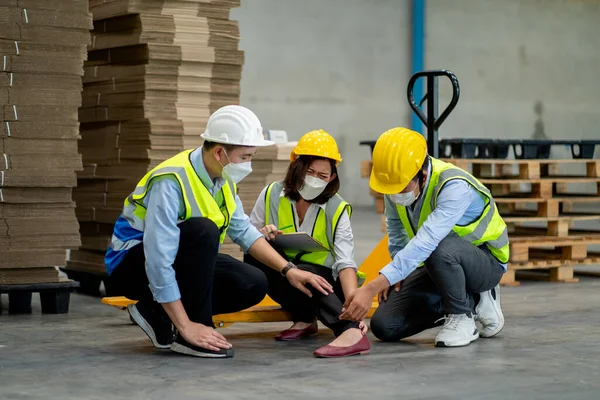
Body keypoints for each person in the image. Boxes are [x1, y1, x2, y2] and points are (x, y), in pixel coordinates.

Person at [105, 106, 334, 359]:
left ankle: (156, 310)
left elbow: (243, 231)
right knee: (203, 230)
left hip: (178, 261)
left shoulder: (222, 179)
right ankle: (190, 330)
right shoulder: (170, 181)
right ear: (219, 152)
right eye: (245, 157)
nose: (249, 164)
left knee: (253, 282)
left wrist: (289, 271)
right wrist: (186, 326)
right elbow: (158, 259)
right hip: (132, 266)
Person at [340, 127, 508, 347]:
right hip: (438, 264)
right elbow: (396, 230)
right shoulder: (395, 184)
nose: (395, 194)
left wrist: (372, 286)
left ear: (423, 174)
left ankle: (463, 316)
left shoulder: (454, 186)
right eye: (390, 188)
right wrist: (397, 273)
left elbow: (427, 241)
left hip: (485, 263)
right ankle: (473, 302)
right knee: (385, 325)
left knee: (439, 247)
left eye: (401, 187)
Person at [245, 130, 370, 358]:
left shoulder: (337, 208)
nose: (314, 179)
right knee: (255, 253)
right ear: (297, 166)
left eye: (322, 175)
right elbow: (248, 236)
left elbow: (345, 262)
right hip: (290, 275)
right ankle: (305, 319)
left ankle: (350, 331)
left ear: (332, 177)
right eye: (309, 171)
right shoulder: (271, 194)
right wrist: (262, 235)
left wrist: (353, 304)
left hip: (328, 283)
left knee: (304, 271)